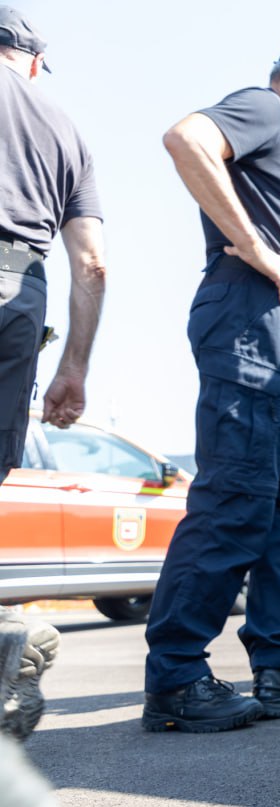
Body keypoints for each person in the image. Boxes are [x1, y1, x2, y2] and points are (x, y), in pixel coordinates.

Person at [142, 31, 280, 734]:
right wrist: (257, 246)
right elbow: (185, 139)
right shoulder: (264, 109)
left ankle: (279, 658)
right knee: (238, 493)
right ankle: (176, 676)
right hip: (252, 317)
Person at [0, 5, 106, 484]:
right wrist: (73, 368)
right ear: (35, 63)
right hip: (22, 299)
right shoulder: (69, 134)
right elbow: (91, 265)